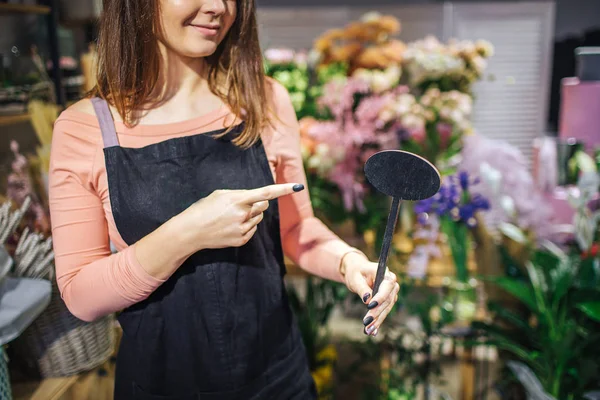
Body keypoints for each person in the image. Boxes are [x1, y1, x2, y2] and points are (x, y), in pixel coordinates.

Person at [48, 1, 400, 399]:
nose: (218, 6)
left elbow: (295, 226)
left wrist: (348, 262)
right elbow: (81, 294)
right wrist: (189, 232)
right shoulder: (86, 128)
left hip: (278, 378)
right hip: (160, 385)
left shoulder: (264, 99)